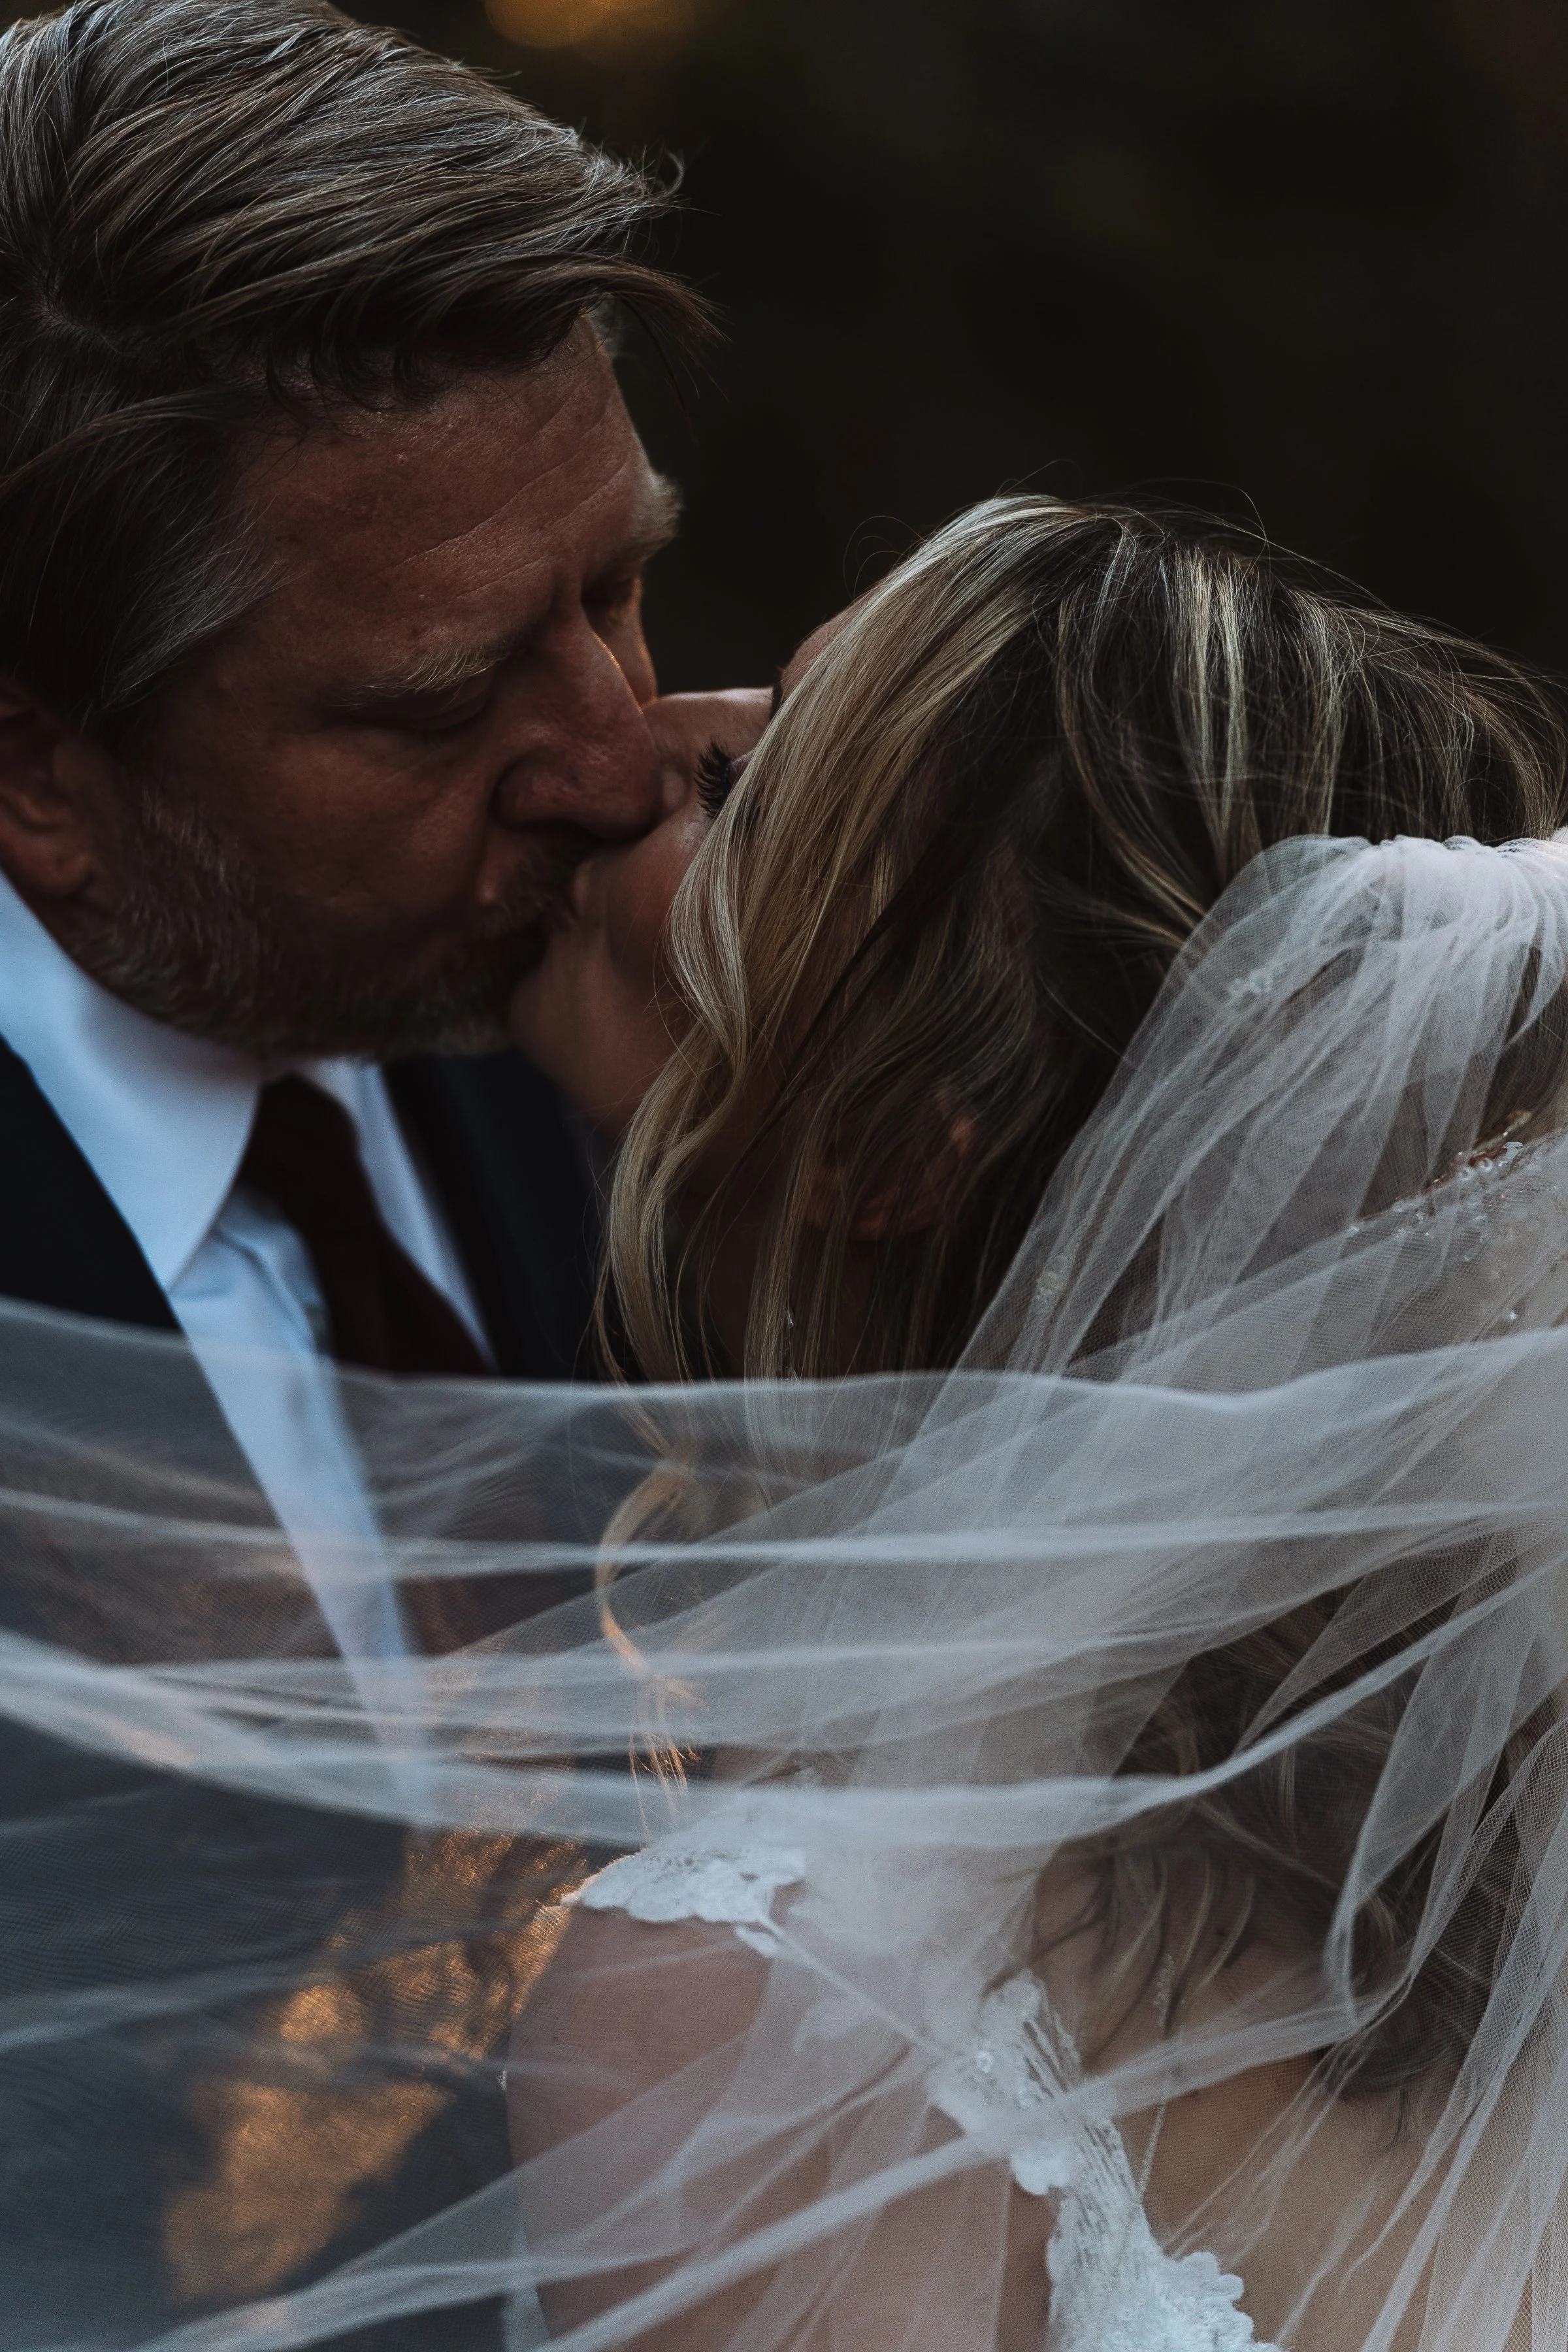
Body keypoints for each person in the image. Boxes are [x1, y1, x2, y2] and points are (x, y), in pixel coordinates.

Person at [3, 494, 1568, 2352]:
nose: (637, 744)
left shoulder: (780, 2000)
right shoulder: (1486, 1836)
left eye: (756, 793)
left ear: (905, 1143)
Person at [0, 2, 719, 2343]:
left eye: (621, 587)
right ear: (37, 770)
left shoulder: (661, 1081)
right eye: (440, 699)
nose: (620, 763)